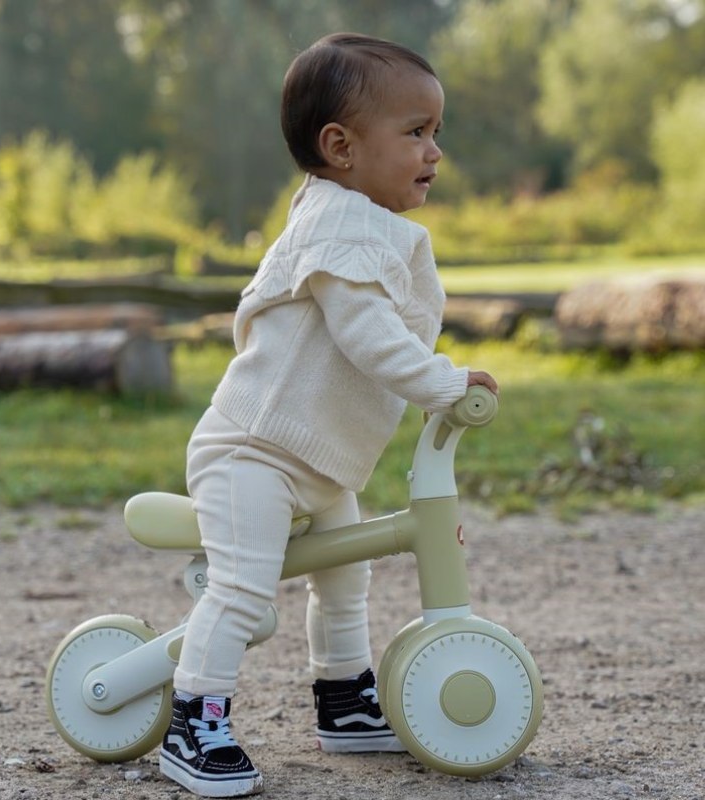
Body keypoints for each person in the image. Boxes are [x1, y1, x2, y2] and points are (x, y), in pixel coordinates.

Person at [159, 32, 499, 798]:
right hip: (254, 452)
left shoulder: (354, 218)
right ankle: (192, 718)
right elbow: (369, 335)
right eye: (415, 132)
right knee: (243, 591)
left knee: (348, 579)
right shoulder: (338, 225)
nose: (434, 151)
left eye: (436, 132)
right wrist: (441, 383)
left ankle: (343, 701)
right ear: (340, 147)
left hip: (316, 461)